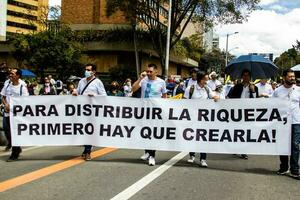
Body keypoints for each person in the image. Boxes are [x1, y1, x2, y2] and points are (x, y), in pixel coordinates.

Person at [132, 63, 167, 166]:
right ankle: (147, 152)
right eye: (147, 71)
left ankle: (152, 156)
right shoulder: (143, 80)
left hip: (156, 112)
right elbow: (133, 89)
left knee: (153, 134)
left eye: (150, 71)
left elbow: (164, 96)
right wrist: (140, 78)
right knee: (145, 132)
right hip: (144, 110)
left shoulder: (161, 82)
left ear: (156, 72)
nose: (148, 73)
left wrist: (164, 109)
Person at [184, 71, 219, 167]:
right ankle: (192, 155)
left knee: (203, 138)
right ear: (201, 79)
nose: (207, 81)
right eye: (205, 79)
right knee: (191, 136)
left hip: (204, 119)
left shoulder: (207, 89)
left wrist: (216, 97)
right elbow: (184, 102)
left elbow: (214, 96)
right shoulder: (190, 89)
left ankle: (203, 158)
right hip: (192, 118)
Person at [72, 63, 107, 161]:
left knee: (89, 130)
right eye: (86, 69)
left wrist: (95, 96)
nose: (86, 71)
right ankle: (87, 148)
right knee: (82, 130)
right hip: (81, 110)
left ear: (94, 72)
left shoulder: (98, 82)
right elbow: (78, 91)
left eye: (88, 70)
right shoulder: (81, 81)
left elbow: (104, 96)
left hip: (92, 111)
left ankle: (88, 151)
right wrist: (75, 92)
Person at [228, 69, 259, 159]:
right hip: (237, 112)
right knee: (237, 131)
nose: (246, 77)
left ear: (250, 77)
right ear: (242, 77)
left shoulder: (254, 87)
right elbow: (231, 99)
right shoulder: (237, 87)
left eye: (248, 75)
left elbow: (256, 101)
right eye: (244, 75)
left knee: (245, 132)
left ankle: (244, 150)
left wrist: (253, 91)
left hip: (248, 113)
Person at [272, 69, 298, 176]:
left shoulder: (298, 90)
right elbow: (271, 105)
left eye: (293, 76)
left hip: (296, 121)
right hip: (282, 122)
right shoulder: (278, 91)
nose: (292, 78)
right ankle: (284, 167)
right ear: (284, 78)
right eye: (290, 76)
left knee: (295, 145)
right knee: (283, 145)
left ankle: (295, 169)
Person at [1, 68, 29, 161]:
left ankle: (15, 153)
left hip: (16, 115)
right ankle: (16, 148)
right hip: (7, 113)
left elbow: (25, 101)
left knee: (14, 134)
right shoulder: (7, 84)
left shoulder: (22, 87)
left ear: (18, 76)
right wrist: (6, 105)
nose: (10, 75)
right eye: (10, 73)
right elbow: (3, 97)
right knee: (6, 130)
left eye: (12, 73)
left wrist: (13, 108)